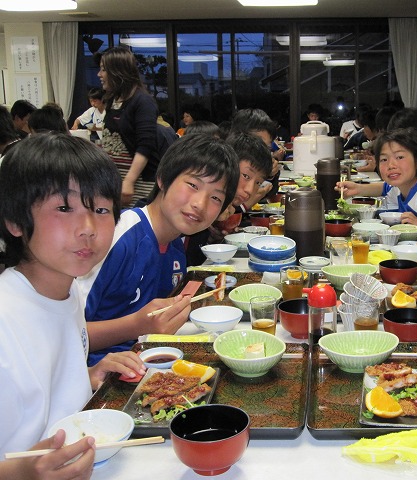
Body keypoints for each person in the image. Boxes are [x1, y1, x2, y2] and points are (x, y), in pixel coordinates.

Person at [0, 133, 145, 477]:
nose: (88, 228)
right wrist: (20, 473)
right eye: (65, 208)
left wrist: (87, 377)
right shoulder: (6, 317)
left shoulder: (69, 290)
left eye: (101, 209)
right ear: (15, 221)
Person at [78, 134, 240, 365]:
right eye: (193, 185)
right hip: (96, 374)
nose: (200, 204)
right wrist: (137, 325)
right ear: (163, 178)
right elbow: (62, 335)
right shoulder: (116, 236)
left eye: (215, 197)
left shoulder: (175, 248)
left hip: (145, 365)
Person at [336, 127, 417, 252]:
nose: (391, 165)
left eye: (400, 157)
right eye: (384, 159)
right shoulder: (398, 187)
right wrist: (358, 189)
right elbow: (385, 187)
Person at [184, 131, 272, 266]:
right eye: (246, 176)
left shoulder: (227, 209)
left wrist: (212, 238)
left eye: (258, 183)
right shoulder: (198, 203)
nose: (250, 190)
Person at [99, 46, 161, 207]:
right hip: (117, 181)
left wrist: (129, 181)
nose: (99, 75)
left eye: (104, 70)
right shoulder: (113, 100)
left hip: (138, 183)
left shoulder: (142, 101)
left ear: (118, 72)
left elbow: (145, 145)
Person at [230, 108, 281, 210]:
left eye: (267, 147)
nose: (262, 150)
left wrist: (270, 175)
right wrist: (243, 207)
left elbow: (270, 194)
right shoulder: (220, 165)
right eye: (258, 143)